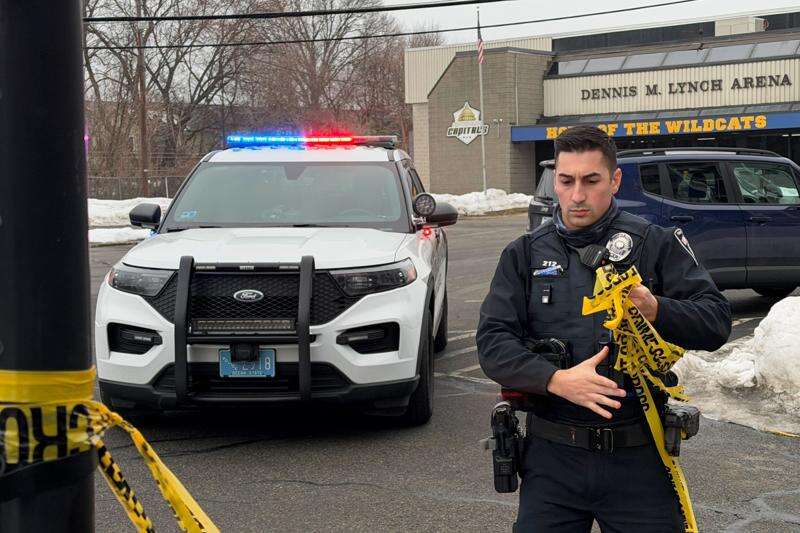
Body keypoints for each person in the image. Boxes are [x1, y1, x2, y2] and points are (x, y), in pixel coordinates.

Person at [477, 125, 732, 532]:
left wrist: (656, 309)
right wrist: (555, 380)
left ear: (614, 181)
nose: (577, 195)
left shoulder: (653, 243)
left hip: (638, 458)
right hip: (552, 461)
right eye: (566, 181)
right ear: (555, 182)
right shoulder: (524, 254)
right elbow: (493, 343)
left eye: (591, 181)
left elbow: (716, 322)